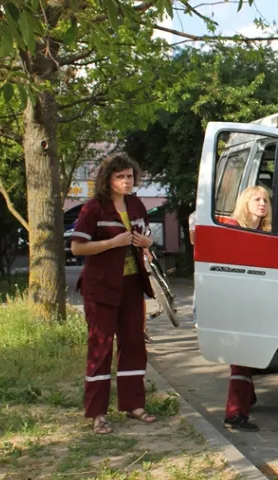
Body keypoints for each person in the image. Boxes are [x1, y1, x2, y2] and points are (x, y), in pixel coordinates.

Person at [70, 152, 157, 435]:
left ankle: (134, 405)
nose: (126, 181)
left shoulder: (136, 204)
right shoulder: (93, 209)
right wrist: (112, 242)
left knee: (133, 344)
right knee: (101, 348)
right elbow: (77, 248)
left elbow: (146, 238)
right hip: (101, 289)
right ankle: (97, 414)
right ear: (108, 180)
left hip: (132, 286)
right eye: (120, 177)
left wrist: (146, 242)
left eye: (130, 176)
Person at [214, 185, 271, 432]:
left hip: (256, 299)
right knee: (241, 357)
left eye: (265, 200)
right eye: (257, 199)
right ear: (245, 203)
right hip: (237, 300)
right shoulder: (233, 228)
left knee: (248, 355)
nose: (262, 203)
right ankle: (235, 413)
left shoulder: (267, 232)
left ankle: (247, 398)